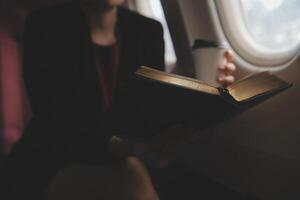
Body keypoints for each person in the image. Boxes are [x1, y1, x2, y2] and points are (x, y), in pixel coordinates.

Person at [4, 0, 236, 199]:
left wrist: (196, 92)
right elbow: (55, 124)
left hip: (130, 150)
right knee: (131, 178)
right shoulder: (46, 26)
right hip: (54, 156)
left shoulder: (148, 31)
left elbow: (149, 111)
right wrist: (128, 148)